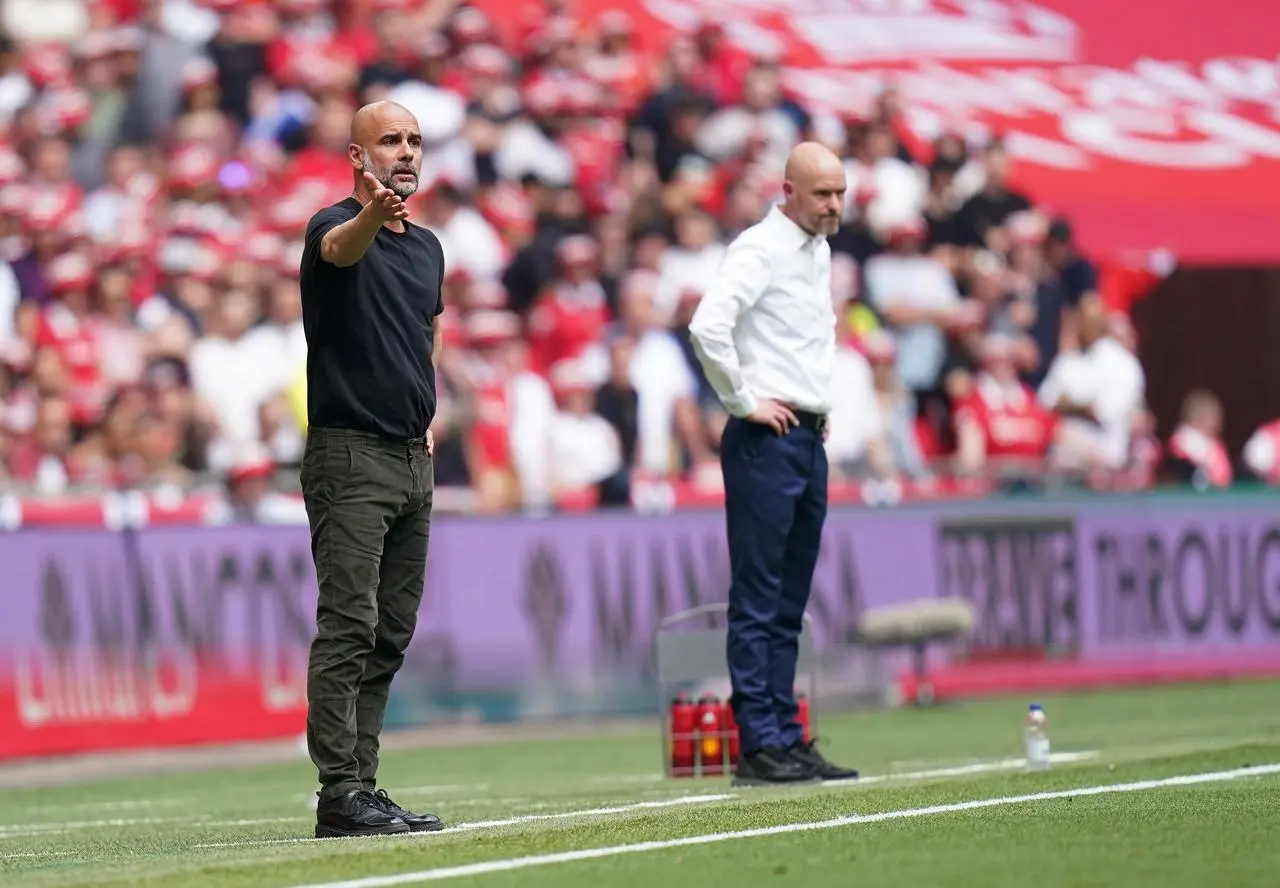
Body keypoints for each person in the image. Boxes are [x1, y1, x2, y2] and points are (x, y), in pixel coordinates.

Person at [688, 142, 860, 787]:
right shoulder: (761, 248)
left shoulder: (816, 250)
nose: (834, 205)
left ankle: (786, 733)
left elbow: (803, 338)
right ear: (787, 190)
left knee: (789, 599)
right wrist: (742, 401)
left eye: (840, 192)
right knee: (760, 596)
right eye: (823, 194)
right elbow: (709, 327)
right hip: (769, 437)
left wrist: (817, 403)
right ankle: (759, 741)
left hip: (805, 433)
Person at [299, 100, 446, 838]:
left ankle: (363, 783)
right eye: (389, 140)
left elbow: (428, 332)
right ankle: (338, 789)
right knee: (349, 623)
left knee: (390, 629)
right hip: (349, 453)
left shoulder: (427, 249)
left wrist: (431, 415)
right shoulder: (332, 225)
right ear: (357, 157)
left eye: (415, 140)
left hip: (408, 457)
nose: (405, 151)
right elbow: (341, 253)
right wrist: (371, 213)